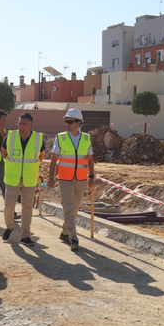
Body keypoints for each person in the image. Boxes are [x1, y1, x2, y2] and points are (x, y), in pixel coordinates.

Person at [47, 108, 94, 251]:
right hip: (65, 179)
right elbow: (54, 159)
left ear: (79, 122)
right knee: (68, 208)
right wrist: (51, 178)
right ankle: (73, 238)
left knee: (74, 209)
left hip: (81, 179)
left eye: (70, 121)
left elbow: (90, 158)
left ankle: (64, 232)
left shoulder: (86, 138)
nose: (67, 124)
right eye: (66, 121)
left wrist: (91, 176)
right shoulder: (60, 137)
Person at [1, 112, 45, 246]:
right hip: (12, 177)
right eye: (19, 123)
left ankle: (25, 235)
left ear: (31, 125)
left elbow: (41, 156)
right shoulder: (11, 136)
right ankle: (9, 227)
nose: (21, 126)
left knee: (27, 208)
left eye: (24, 124)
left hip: (29, 179)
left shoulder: (38, 138)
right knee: (9, 207)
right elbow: (4, 153)